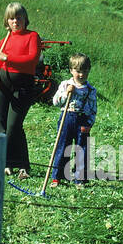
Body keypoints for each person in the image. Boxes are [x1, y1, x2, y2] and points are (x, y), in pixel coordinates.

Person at [0, 3, 41, 179]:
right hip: (2, 84)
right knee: (1, 125)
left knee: (14, 126)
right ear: (7, 21)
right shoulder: (5, 40)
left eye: (19, 17)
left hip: (23, 85)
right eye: (11, 18)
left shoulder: (32, 36)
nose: (15, 21)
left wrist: (7, 57)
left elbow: (32, 59)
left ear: (25, 19)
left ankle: (23, 166)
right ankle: (5, 163)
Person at [48, 53, 98, 187]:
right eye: (78, 71)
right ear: (71, 70)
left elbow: (93, 109)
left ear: (89, 70)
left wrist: (89, 123)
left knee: (82, 148)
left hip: (82, 121)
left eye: (85, 71)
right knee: (63, 146)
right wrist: (66, 94)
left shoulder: (90, 90)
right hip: (66, 118)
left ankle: (79, 178)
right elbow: (55, 102)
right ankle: (57, 177)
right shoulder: (65, 85)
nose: (81, 75)